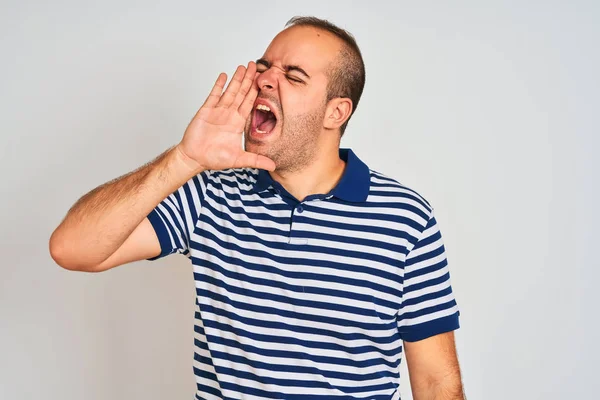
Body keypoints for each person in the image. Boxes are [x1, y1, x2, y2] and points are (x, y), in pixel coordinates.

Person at [50, 16, 464, 400]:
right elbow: (72, 249)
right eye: (265, 67)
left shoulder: (405, 218)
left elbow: (435, 381)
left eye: (293, 76)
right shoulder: (209, 194)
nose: (265, 80)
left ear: (336, 112)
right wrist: (184, 159)